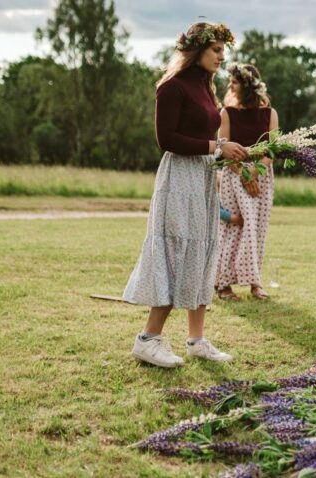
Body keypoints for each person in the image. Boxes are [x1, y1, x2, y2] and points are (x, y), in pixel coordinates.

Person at [123, 22, 245, 368]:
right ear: (196, 51)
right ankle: (148, 339)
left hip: (204, 178)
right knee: (177, 251)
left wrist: (231, 154)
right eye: (216, 50)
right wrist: (217, 146)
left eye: (223, 50)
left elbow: (209, 141)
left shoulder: (207, 88)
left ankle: (196, 340)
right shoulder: (172, 87)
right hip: (178, 179)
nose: (222, 57)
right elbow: (167, 140)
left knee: (202, 251)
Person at [215, 63, 278, 301]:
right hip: (234, 175)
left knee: (257, 229)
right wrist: (243, 172)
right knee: (234, 227)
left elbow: (273, 149)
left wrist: (256, 171)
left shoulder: (270, 113)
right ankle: (223, 284)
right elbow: (223, 149)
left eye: (234, 81)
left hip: (262, 176)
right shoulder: (226, 113)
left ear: (248, 85)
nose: (229, 86)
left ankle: (255, 282)